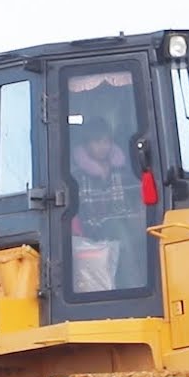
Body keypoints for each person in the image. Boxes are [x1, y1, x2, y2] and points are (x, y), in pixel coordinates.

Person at [70, 117, 146, 291]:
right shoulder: (77, 175)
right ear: (86, 144)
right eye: (97, 142)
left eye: (107, 142)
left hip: (124, 221)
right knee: (120, 235)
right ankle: (134, 287)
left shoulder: (122, 171)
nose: (103, 147)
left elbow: (134, 195)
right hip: (92, 227)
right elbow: (78, 210)